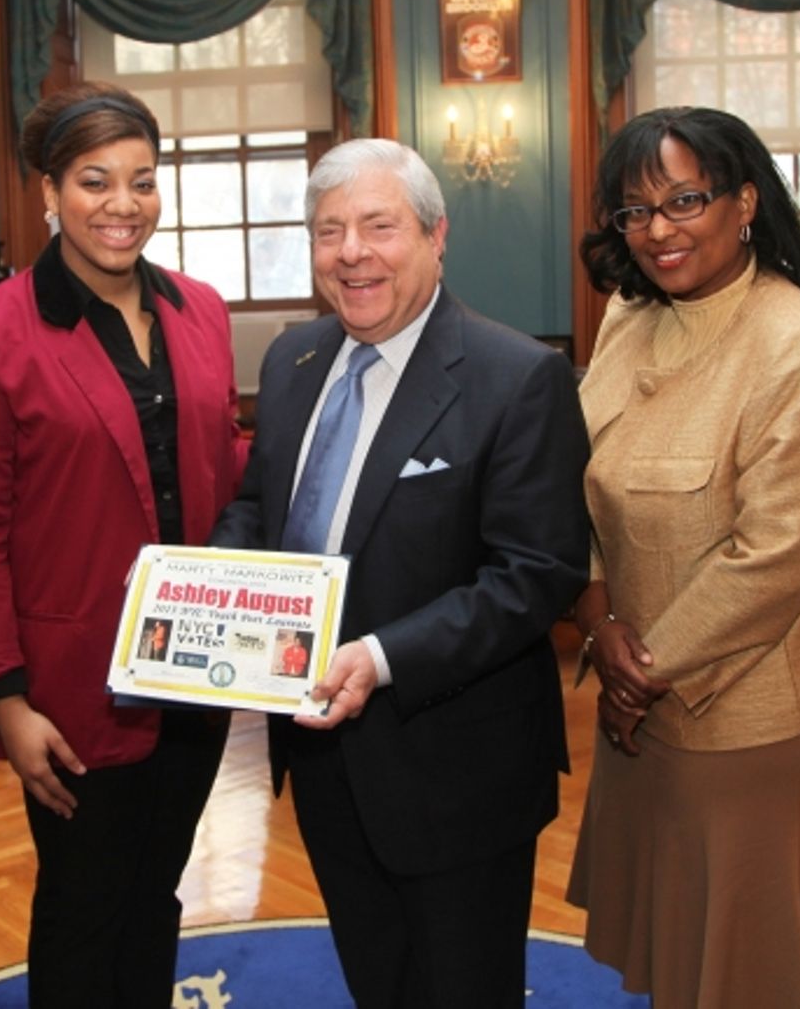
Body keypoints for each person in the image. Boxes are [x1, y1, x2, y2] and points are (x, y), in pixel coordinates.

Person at [208, 138, 590, 1008]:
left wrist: (380, 657)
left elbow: (537, 574)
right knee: (376, 981)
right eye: (329, 231)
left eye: (379, 226)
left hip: (456, 767)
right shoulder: (293, 360)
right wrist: (202, 585)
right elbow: (261, 509)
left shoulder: (516, 376)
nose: (351, 253)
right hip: (323, 758)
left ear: (434, 235)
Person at [566, 106, 800, 1008]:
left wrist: (642, 671)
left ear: (744, 202)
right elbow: (585, 480)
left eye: (685, 200)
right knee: (685, 945)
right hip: (641, 678)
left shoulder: (798, 345)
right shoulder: (627, 319)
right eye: (635, 212)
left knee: (757, 962)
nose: (659, 231)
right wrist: (602, 626)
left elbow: (777, 556)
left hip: (762, 702)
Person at [0, 81, 247, 1009]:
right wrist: (6, 700)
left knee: (156, 892)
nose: (123, 205)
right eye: (95, 181)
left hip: (197, 669)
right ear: (49, 192)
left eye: (143, 181)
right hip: (72, 689)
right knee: (82, 905)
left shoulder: (202, 310)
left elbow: (221, 467)